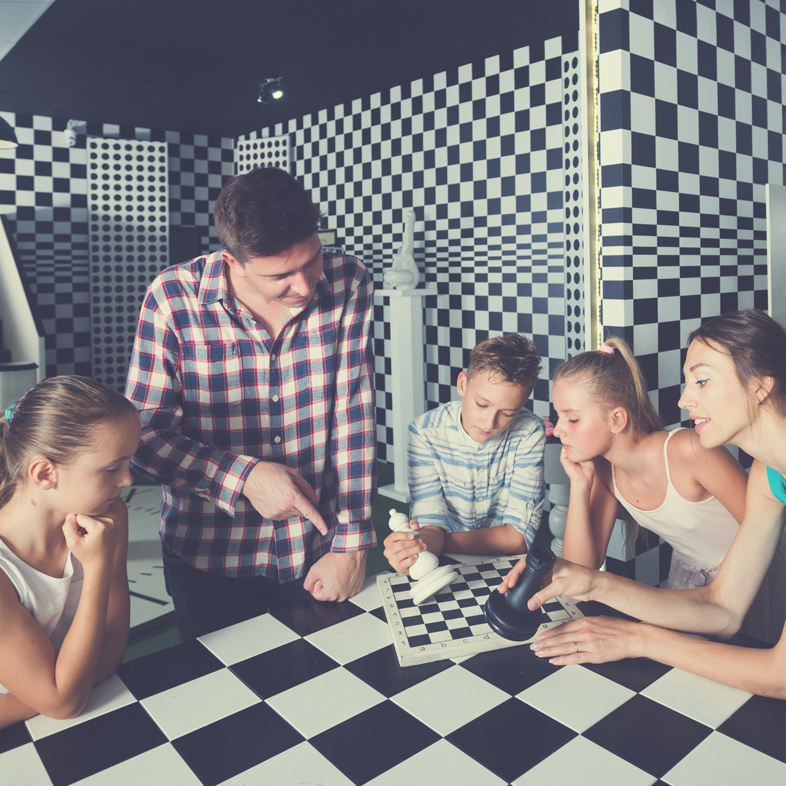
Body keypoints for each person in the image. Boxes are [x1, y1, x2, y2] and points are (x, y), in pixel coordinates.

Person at [125, 166, 376, 641]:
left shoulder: (349, 280)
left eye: (312, 261)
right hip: (208, 549)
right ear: (233, 261)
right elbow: (143, 436)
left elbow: (353, 415)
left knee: (323, 676)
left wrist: (352, 542)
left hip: (314, 545)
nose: (304, 287)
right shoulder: (172, 298)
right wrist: (244, 477)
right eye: (280, 275)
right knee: (218, 685)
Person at [502, 309, 786, 697]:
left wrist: (639, 638)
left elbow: (780, 675)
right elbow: (724, 610)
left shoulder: (690, 452)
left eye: (702, 380)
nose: (684, 400)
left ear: (760, 386)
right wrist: (594, 584)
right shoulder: (767, 478)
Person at [0, 376, 139, 730]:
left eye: (128, 464)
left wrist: (62, 689)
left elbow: (110, 651)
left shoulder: (108, 517)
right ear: (45, 473)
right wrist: (97, 568)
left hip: (71, 715)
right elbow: (64, 704)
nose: (127, 480)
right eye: (112, 468)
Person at [554, 338, 752, 586]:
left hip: (751, 571)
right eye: (558, 416)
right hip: (689, 580)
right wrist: (579, 485)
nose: (558, 430)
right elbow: (579, 570)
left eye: (572, 419)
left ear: (617, 419)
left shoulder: (689, 450)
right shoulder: (604, 473)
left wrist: (725, 595)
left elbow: (763, 526)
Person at [383, 334, 545, 574]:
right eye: (482, 404)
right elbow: (430, 523)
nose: (489, 423)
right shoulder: (424, 432)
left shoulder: (530, 431)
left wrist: (431, 543)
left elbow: (518, 538)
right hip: (443, 563)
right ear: (462, 384)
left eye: (508, 413)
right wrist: (413, 550)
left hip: (504, 566)